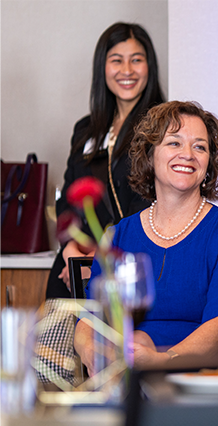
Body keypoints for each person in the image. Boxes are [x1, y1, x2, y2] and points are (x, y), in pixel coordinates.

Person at [74, 101, 218, 371]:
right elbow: (91, 318)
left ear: (208, 163)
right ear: (150, 155)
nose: (188, 154)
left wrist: (162, 361)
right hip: (126, 375)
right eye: (174, 143)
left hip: (205, 380)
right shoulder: (117, 236)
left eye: (200, 146)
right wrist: (92, 352)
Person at [47, 22, 165, 299]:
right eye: (116, 61)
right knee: (53, 340)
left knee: (109, 341)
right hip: (72, 262)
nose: (127, 71)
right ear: (103, 67)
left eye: (136, 60)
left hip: (128, 262)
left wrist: (100, 257)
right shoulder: (86, 129)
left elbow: (152, 201)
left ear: (150, 66)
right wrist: (71, 250)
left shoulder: (163, 127)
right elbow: (68, 201)